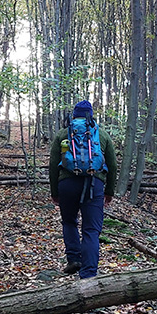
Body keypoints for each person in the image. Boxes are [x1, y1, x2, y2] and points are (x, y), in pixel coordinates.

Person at [49, 100, 118, 279]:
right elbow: (112, 165)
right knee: (91, 230)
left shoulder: (63, 134)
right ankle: (88, 274)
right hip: (94, 185)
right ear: (90, 116)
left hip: (67, 184)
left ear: (74, 115)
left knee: (69, 222)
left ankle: (74, 259)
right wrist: (109, 191)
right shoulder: (101, 135)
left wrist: (54, 192)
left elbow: (53, 165)